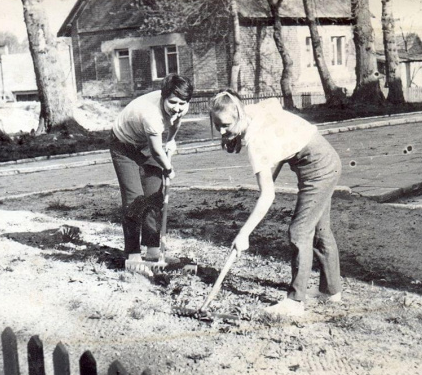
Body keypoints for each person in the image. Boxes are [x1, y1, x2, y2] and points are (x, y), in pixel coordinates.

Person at [209, 89, 342, 317]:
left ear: (239, 115)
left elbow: (267, 196)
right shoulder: (253, 112)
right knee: (319, 229)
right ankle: (331, 291)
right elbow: (273, 106)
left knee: (299, 231)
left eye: (226, 125)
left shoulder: (256, 144)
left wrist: (244, 234)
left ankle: (295, 302)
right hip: (326, 159)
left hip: (318, 169)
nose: (222, 131)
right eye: (217, 125)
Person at [110, 74, 194, 263]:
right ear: (163, 97)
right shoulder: (152, 115)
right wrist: (168, 168)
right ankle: (132, 253)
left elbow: (176, 121)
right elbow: (157, 151)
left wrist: (171, 140)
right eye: (173, 102)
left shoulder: (180, 106)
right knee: (135, 199)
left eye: (182, 104)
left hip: (144, 142)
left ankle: (153, 250)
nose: (177, 108)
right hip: (123, 145)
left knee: (154, 195)